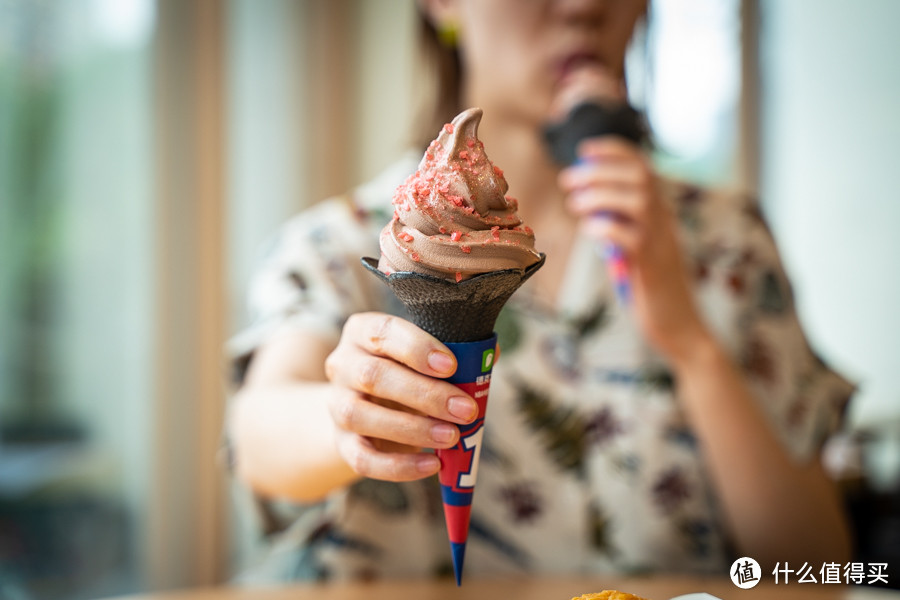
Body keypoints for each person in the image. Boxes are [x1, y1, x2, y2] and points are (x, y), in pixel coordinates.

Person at [226, 0, 854, 582]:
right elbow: (261, 432)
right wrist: (347, 417)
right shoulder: (343, 245)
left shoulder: (725, 243)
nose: (584, 7)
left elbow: (817, 565)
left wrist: (692, 344)